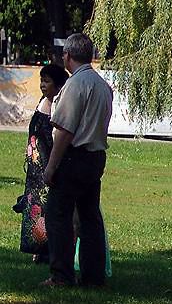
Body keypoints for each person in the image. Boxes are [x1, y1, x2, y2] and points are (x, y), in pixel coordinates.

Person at [41, 33, 113, 288]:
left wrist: (51, 167)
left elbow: (65, 130)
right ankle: (94, 276)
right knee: (90, 217)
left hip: (74, 157)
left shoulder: (74, 85)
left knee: (58, 215)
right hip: (96, 157)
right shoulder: (103, 86)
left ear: (68, 56)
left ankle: (61, 275)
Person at [15, 63, 69, 264]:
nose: (42, 85)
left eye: (47, 81)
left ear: (58, 85)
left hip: (48, 166)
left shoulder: (59, 106)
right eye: (41, 80)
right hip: (35, 169)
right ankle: (36, 248)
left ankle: (48, 250)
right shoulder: (41, 102)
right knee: (34, 207)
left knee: (48, 209)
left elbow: (55, 138)